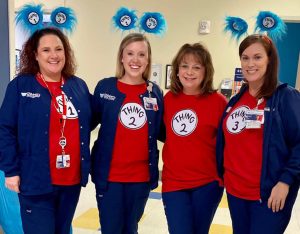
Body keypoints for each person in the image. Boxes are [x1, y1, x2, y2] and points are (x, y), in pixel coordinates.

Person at [0, 27, 92, 234]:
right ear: (35, 55)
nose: (54, 55)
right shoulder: (20, 86)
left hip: (70, 181)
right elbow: (5, 129)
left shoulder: (78, 87)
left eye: (59, 49)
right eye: (46, 50)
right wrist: (11, 171)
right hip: (35, 181)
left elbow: (89, 120)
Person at [216, 34, 300, 234]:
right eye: (245, 58)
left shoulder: (286, 97)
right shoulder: (235, 101)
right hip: (236, 193)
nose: (250, 63)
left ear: (269, 60)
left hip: (269, 195)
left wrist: (285, 181)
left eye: (257, 57)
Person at [91, 33, 163, 234]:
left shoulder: (154, 92)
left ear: (148, 59)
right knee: (111, 228)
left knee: (131, 228)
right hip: (110, 177)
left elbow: (162, 129)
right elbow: (87, 122)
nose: (135, 59)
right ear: (121, 57)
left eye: (141, 54)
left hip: (140, 179)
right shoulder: (105, 87)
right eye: (130, 53)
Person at [161, 43, 227, 234]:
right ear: (177, 70)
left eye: (196, 67)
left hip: (207, 183)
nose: (190, 72)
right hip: (174, 182)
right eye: (184, 66)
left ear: (206, 71)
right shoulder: (168, 100)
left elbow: (228, 143)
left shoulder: (218, 102)